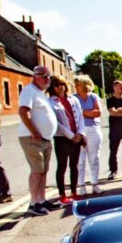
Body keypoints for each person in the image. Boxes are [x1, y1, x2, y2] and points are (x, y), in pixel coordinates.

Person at [18, 65, 60, 215]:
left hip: (44, 139)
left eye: (48, 76)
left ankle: (41, 200)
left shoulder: (41, 93)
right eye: (43, 75)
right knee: (37, 171)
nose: (46, 78)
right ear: (35, 76)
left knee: (43, 171)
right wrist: (34, 131)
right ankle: (33, 203)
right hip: (32, 138)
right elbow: (23, 112)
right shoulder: (29, 91)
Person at [48, 75, 86, 204]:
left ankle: (74, 192)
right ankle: (62, 194)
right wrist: (71, 135)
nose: (60, 87)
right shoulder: (51, 102)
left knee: (74, 165)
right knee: (62, 166)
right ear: (52, 88)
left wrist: (80, 134)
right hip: (62, 138)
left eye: (62, 84)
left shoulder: (73, 99)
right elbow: (56, 123)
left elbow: (80, 117)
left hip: (76, 136)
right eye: (56, 85)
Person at [74, 75, 103, 195]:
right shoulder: (73, 98)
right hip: (79, 130)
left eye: (78, 84)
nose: (75, 87)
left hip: (93, 129)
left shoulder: (94, 96)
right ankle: (81, 185)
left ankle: (95, 184)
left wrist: (83, 112)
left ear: (85, 85)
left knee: (94, 157)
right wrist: (89, 113)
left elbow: (98, 112)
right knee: (80, 159)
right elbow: (75, 115)